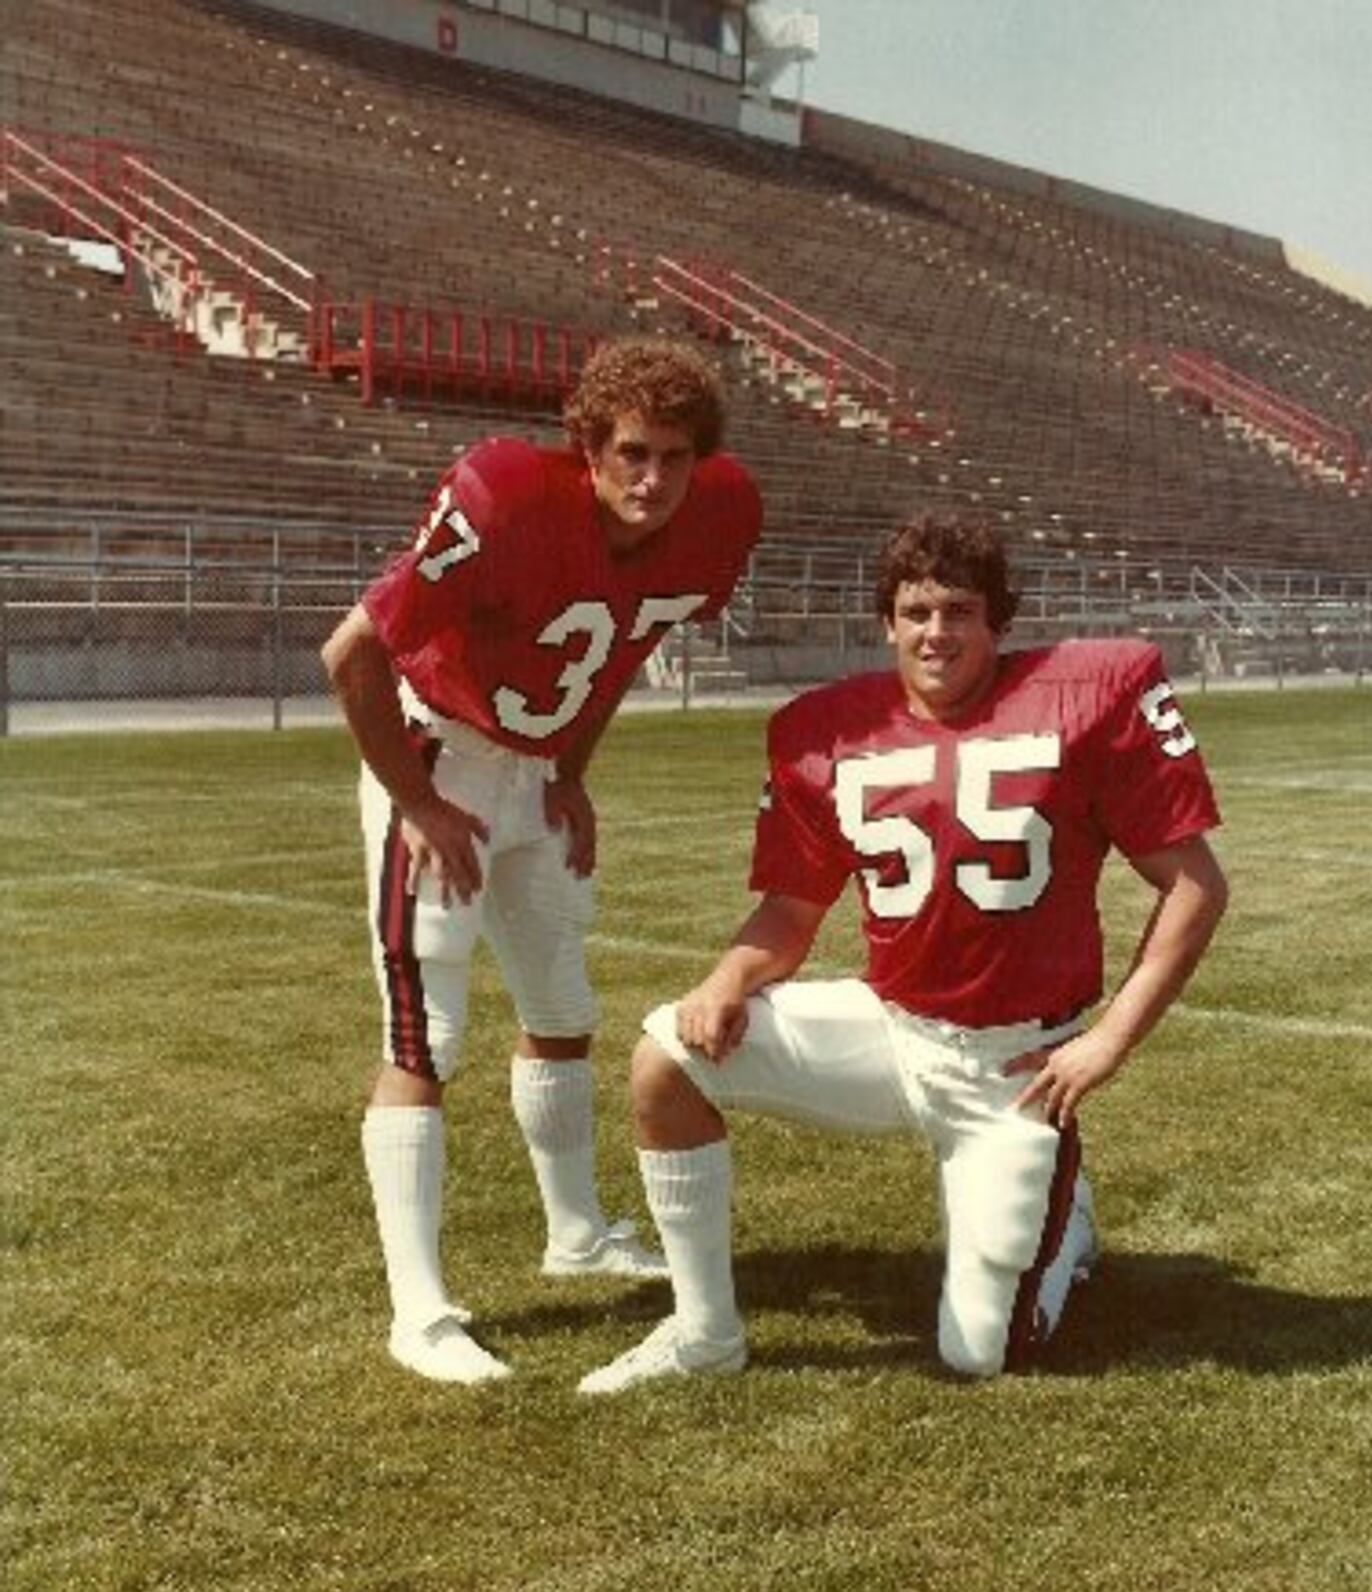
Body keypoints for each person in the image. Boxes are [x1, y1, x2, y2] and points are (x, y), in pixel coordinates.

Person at [579, 510, 1227, 1393]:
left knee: (980, 1356)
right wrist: (726, 978)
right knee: (665, 1062)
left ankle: (1063, 1220)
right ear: (887, 621)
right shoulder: (830, 730)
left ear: (998, 622)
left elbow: (1195, 885)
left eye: (960, 611)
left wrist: (1108, 1039)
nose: (937, 632)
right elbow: (789, 912)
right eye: (917, 611)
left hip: (1015, 1069)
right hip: (892, 1028)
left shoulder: (1086, 698)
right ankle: (703, 1333)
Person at [321, 336, 763, 1384]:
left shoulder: (716, 517)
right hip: (441, 763)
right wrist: (416, 801)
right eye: (631, 453)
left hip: (530, 775)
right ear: (588, 450)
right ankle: (418, 1311)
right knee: (424, 1037)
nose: (652, 479)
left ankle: (575, 1233)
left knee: (562, 1013)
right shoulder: (510, 497)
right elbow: (351, 655)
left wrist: (569, 774)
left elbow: (619, 648)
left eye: (673, 456)